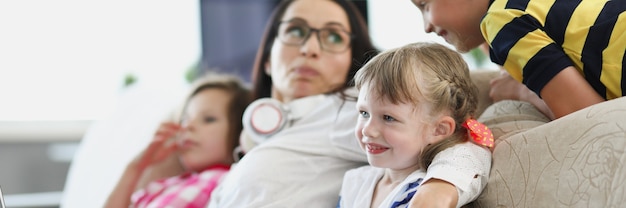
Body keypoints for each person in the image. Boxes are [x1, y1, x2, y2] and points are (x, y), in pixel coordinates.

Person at [208, 0, 491, 207]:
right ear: (268, 55)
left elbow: (460, 138)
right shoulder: (256, 122)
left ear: (351, 63)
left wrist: (441, 187)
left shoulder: (349, 108)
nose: (310, 49)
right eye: (295, 32)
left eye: (333, 37)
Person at [338, 42, 493, 208]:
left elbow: (470, 155)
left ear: (439, 129)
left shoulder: (429, 185)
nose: (368, 130)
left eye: (388, 118)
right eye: (364, 113)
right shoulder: (355, 182)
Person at [412, 0, 626, 119]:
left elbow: (588, 116)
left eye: (424, 5)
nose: (426, 27)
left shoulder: (502, 19)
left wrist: (521, 92)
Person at [104, 73, 251, 208]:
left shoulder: (215, 180)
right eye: (184, 119)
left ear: (242, 132)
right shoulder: (176, 184)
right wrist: (135, 167)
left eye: (208, 119)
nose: (188, 126)